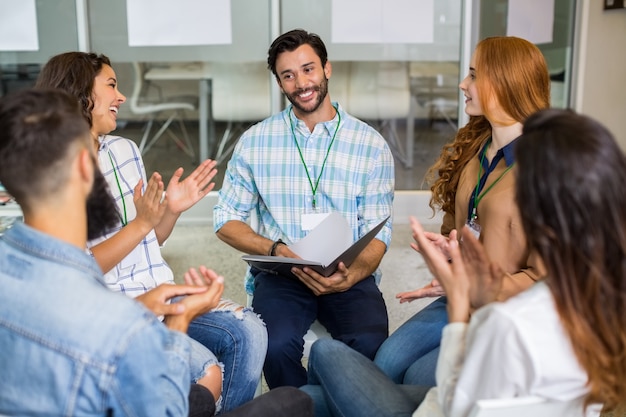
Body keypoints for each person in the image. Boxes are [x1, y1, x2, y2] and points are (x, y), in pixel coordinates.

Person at [301, 108, 626, 417]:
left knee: (324, 354)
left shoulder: (515, 325)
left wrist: (459, 305)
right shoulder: (602, 303)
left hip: (446, 407)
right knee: (303, 401)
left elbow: (457, 405)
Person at [35, 52, 267, 413]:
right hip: (118, 313)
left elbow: (149, 242)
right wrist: (141, 222)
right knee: (206, 370)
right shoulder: (54, 173)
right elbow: (74, 272)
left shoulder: (124, 150)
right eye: (111, 85)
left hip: (161, 295)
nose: (121, 96)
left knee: (248, 331)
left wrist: (169, 211)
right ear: (80, 93)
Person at [214, 28, 394, 388]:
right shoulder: (255, 142)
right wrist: (275, 250)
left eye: (308, 69)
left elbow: (380, 230)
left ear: (327, 69)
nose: (301, 83)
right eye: (288, 75)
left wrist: (354, 275)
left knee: (372, 343)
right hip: (284, 272)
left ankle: (341, 404)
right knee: (274, 346)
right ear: (280, 83)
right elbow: (225, 220)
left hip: (347, 268)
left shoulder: (370, 145)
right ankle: (300, 407)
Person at [373, 36, 550, 387]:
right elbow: (455, 226)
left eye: (473, 75)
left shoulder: (547, 170)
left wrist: (475, 286)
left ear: (503, 84)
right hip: (459, 298)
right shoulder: (475, 147)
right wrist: (449, 260)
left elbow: (546, 280)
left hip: (503, 315)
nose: (462, 84)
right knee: (384, 364)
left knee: (417, 382)